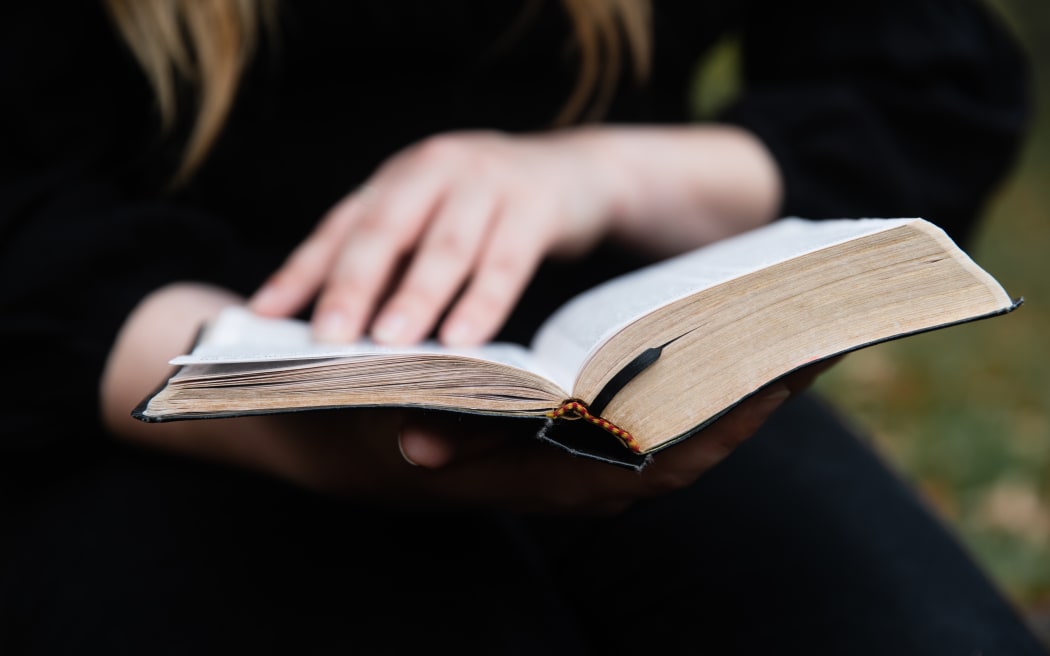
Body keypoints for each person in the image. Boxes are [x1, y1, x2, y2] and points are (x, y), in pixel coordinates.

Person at [0, 0, 1044, 653]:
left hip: (597, 376)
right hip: (134, 390)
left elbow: (926, 80)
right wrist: (286, 420)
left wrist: (602, 171)